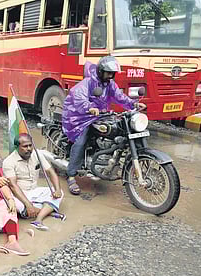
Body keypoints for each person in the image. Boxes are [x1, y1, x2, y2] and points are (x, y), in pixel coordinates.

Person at [62, 56, 147, 195]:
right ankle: (71, 176)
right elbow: (78, 97)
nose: (110, 76)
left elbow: (120, 96)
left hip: (100, 114)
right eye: (108, 73)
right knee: (81, 141)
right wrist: (89, 107)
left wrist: (134, 104)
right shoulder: (88, 82)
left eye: (112, 74)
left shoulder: (110, 84)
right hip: (80, 117)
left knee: (117, 130)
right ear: (101, 71)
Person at [3, 134, 63, 231]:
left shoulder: (37, 154)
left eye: (30, 145)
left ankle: (38, 219)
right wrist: (28, 204)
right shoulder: (8, 162)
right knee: (15, 206)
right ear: (17, 147)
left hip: (35, 191)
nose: (29, 149)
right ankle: (47, 211)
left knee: (58, 192)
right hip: (19, 195)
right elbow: (13, 186)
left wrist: (57, 189)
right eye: (25, 146)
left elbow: (51, 172)